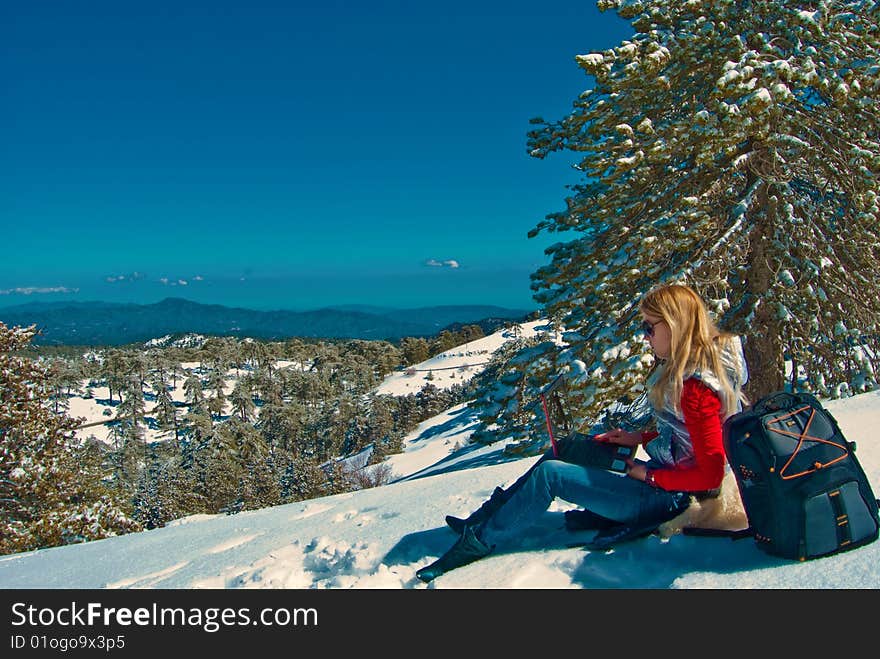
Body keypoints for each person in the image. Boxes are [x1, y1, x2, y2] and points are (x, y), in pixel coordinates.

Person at [416, 283, 749, 583]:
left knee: (551, 475)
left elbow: (709, 474)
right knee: (569, 447)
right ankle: (484, 520)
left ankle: (477, 543)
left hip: (671, 499)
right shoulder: (693, 368)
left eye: (650, 327)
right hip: (667, 481)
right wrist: (637, 440)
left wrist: (645, 474)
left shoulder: (695, 388)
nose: (645, 335)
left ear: (675, 326)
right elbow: (691, 440)